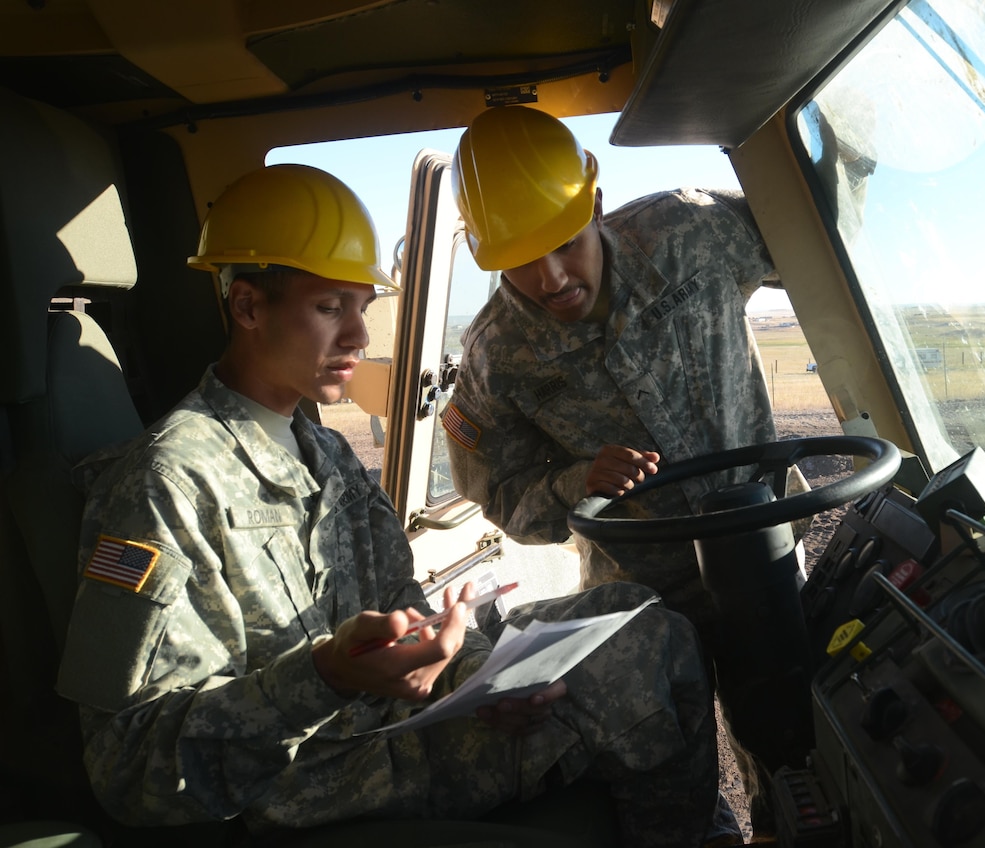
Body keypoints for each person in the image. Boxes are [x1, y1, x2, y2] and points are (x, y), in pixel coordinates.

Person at [54, 163, 723, 847]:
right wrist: (326, 677)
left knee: (639, 613)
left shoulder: (326, 454)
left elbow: (400, 608)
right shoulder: (166, 481)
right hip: (318, 777)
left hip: (397, 722)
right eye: (327, 308)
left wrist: (470, 668)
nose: (359, 338)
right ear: (248, 307)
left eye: (361, 308)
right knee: (657, 658)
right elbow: (129, 768)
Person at [443, 105, 805, 834]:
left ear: (597, 206)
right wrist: (576, 482)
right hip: (643, 599)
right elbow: (502, 495)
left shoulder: (689, 233)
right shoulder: (494, 358)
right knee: (666, 779)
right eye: (518, 260)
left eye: (566, 245)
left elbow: (813, 239)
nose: (549, 279)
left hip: (762, 547)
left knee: (794, 745)